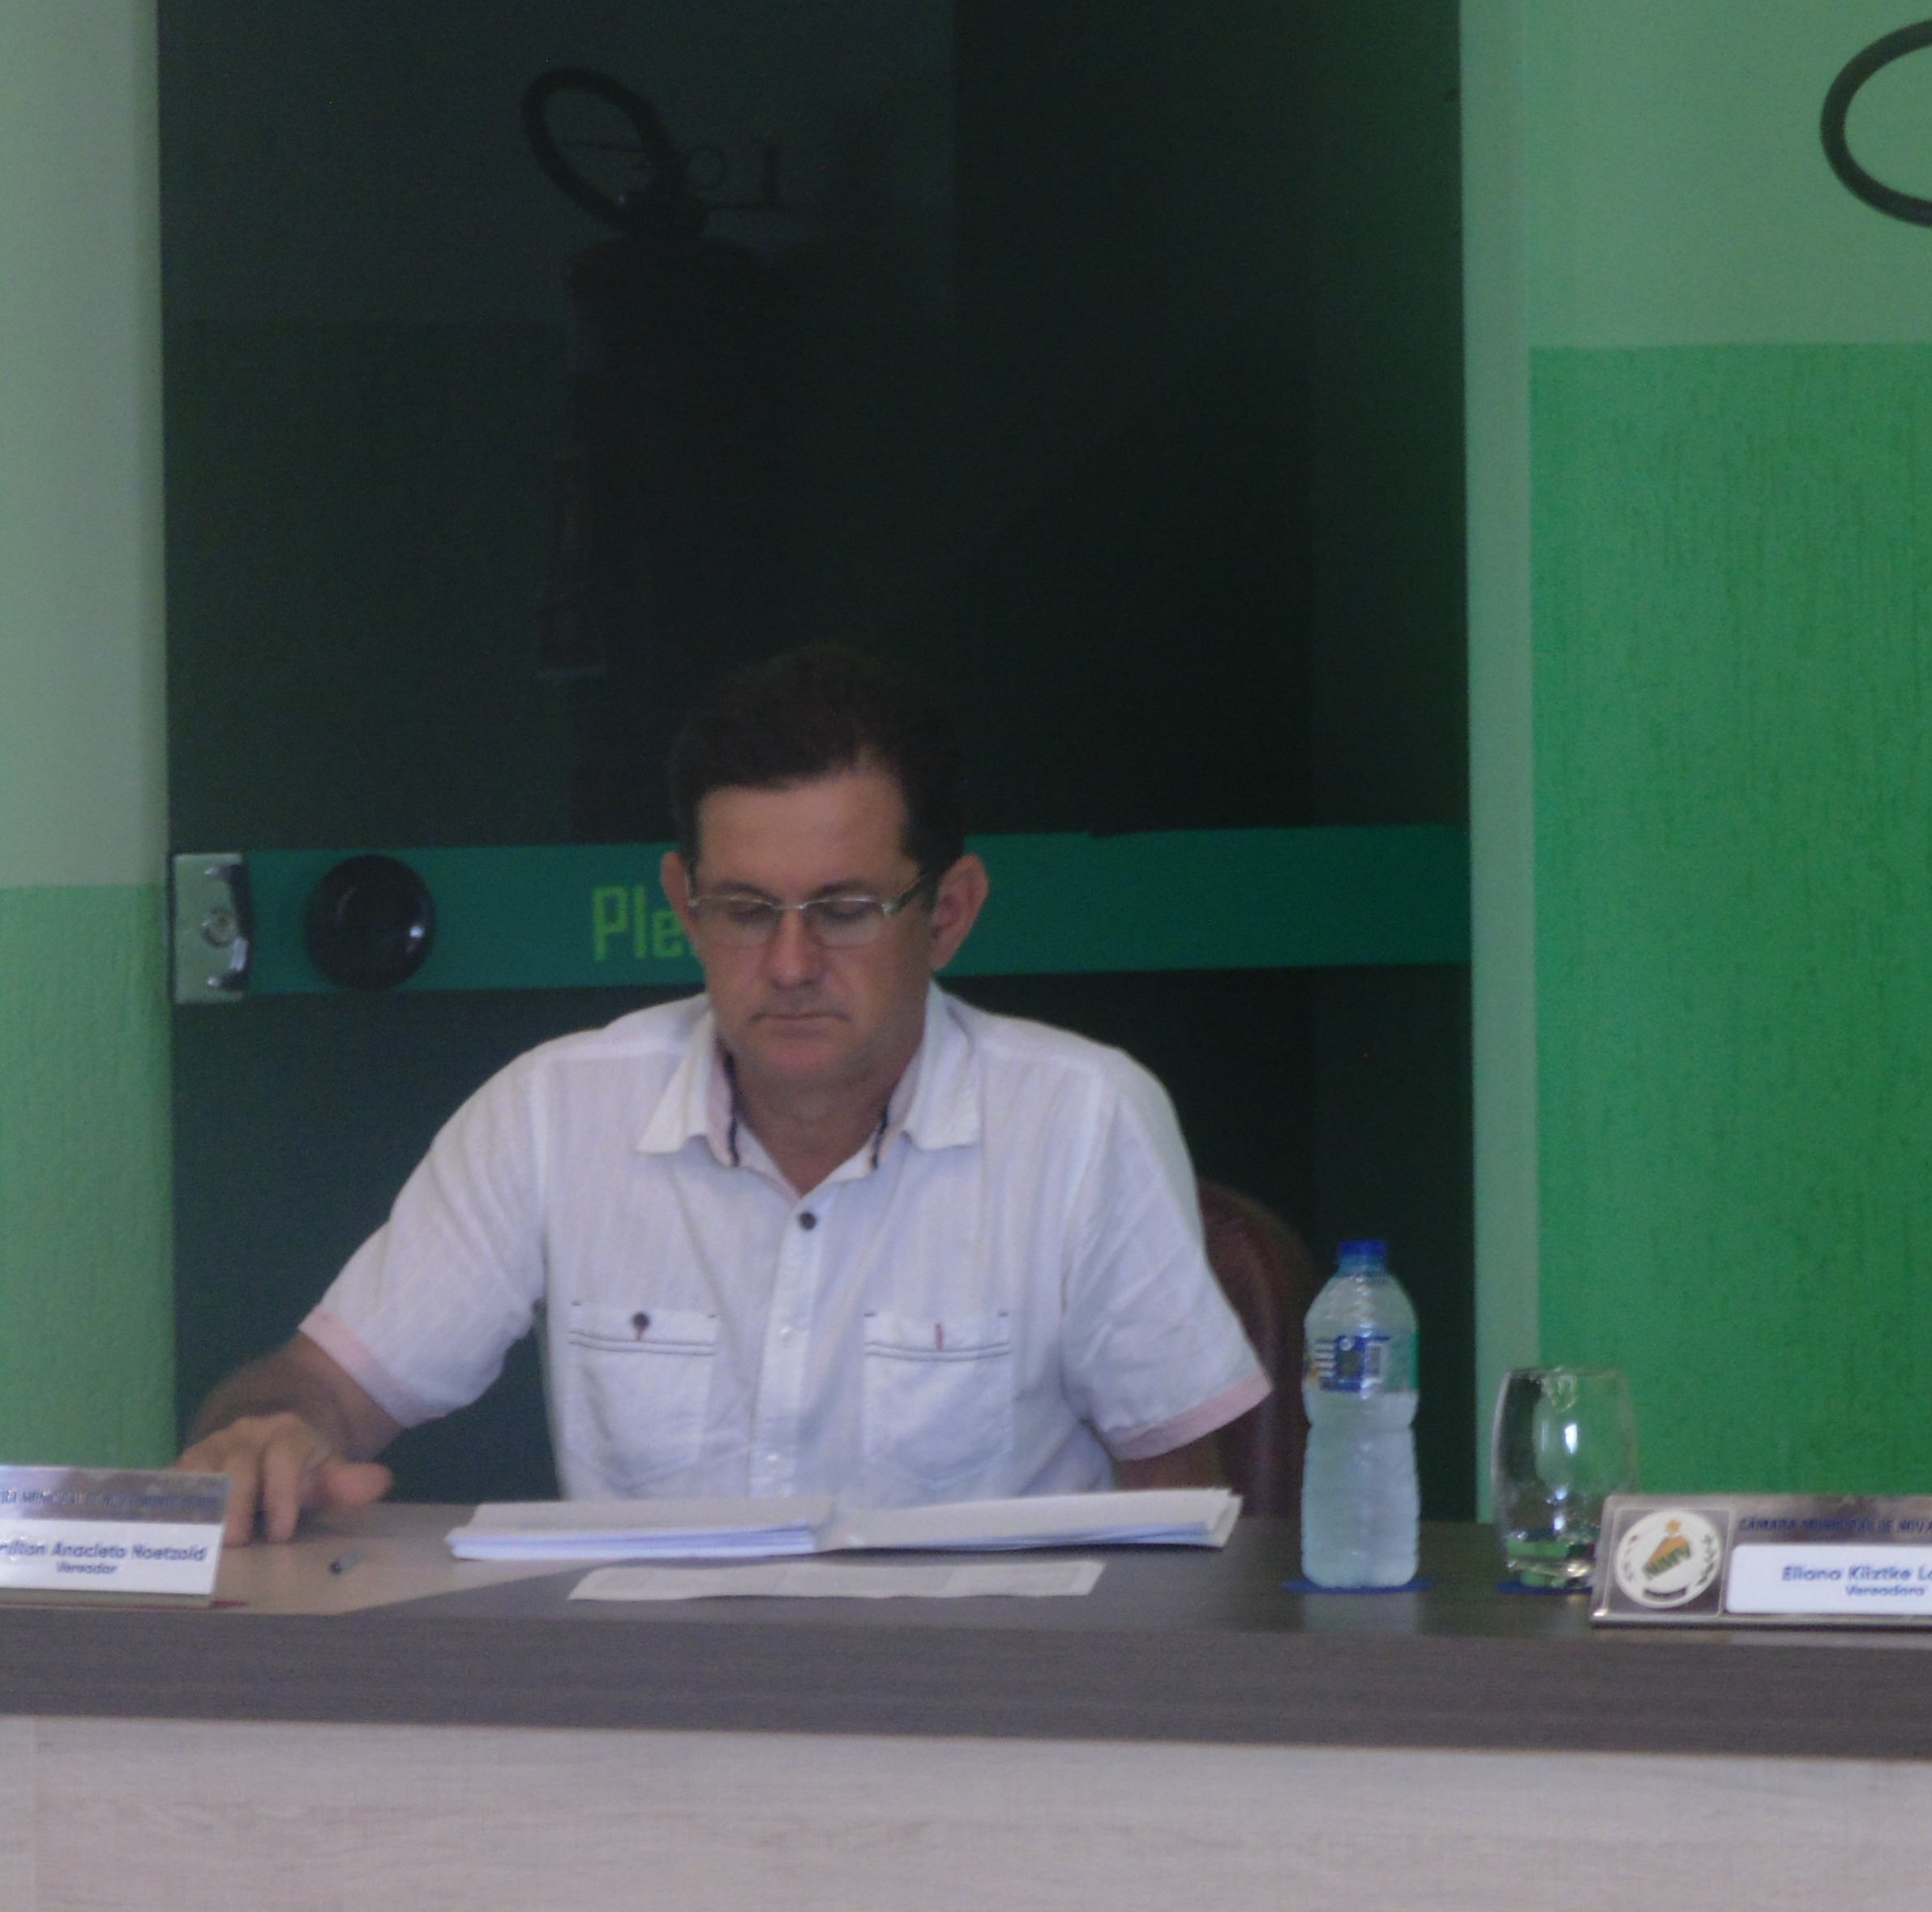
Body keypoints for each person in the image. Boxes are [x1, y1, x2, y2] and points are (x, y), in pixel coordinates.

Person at [181, 645, 1268, 1545]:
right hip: (655, 1712)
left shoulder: (1081, 1121)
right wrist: (267, 1434)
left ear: (947, 914)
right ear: (684, 906)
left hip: (975, 1711)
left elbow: (1182, 1527)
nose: (789, 965)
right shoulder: (554, 1115)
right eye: (746, 910)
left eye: (844, 910)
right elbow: (322, 1386)